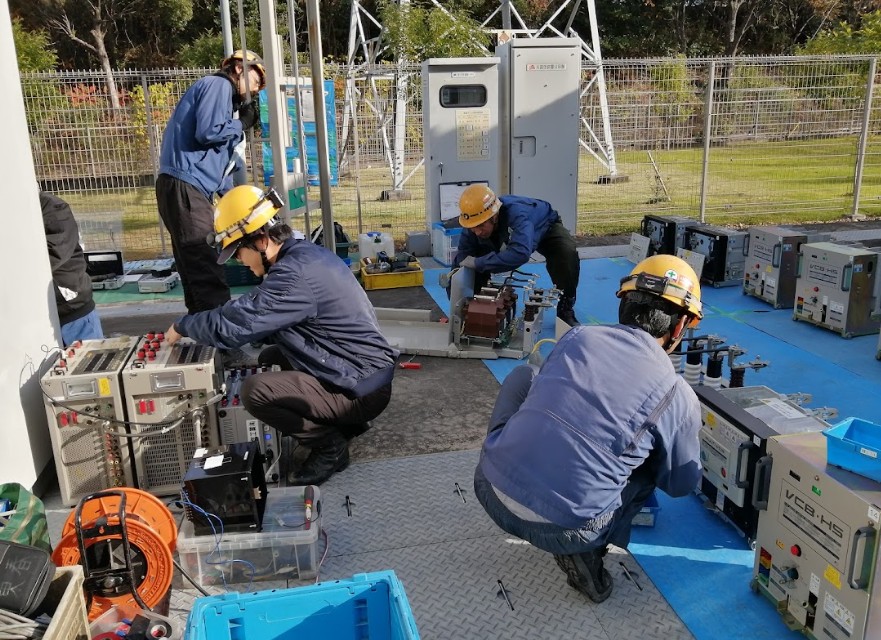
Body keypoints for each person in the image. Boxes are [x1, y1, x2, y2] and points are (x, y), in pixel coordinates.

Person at [473, 254, 704, 603]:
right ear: (680, 325)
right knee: (648, 467)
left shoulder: (578, 337)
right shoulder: (676, 393)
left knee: (525, 376)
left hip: (490, 489)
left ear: (624, 304)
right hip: (565, 529)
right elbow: (679, 484)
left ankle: (511, 458)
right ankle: (589, 554)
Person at [164, 185, 399, 485]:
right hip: (364, 374)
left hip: (362, 389)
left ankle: (330, 447)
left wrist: (184, 325)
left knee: (255, 391)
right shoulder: (303, 255)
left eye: (238, 252)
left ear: (261, 240)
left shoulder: (292, 277)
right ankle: (346, 424)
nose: (240, 261)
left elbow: (234, 325)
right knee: (270, 356)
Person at [156, 49, 266, 314]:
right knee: (205, 266)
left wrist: (243, 207)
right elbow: (208, 132)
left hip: (185, 187)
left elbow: (220, 170)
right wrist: (241, 125)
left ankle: (202, 329)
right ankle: (222, 335)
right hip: (186, 186)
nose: (256, 89)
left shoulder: (223, 102)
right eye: (255, 80)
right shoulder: (218, 85)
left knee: (194, 270)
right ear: (239, 68)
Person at [452, 184, 581, 326]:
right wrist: (457, 306)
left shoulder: (517, 214)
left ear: (494, 217)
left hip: (544, 227)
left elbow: (520, 253)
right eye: (472, 228)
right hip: (508, 232)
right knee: (473, 262)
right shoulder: (474, 222)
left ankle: (566, 308)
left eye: (481, 226)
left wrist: (479, 263)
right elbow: (460, 263)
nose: (477, 232)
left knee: (566, 253)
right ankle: (476, 306)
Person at [41, 191, 104, 347]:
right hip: (42, 315)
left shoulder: (51, 206)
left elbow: (55, 253)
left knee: (89, 359)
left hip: (72, 311)